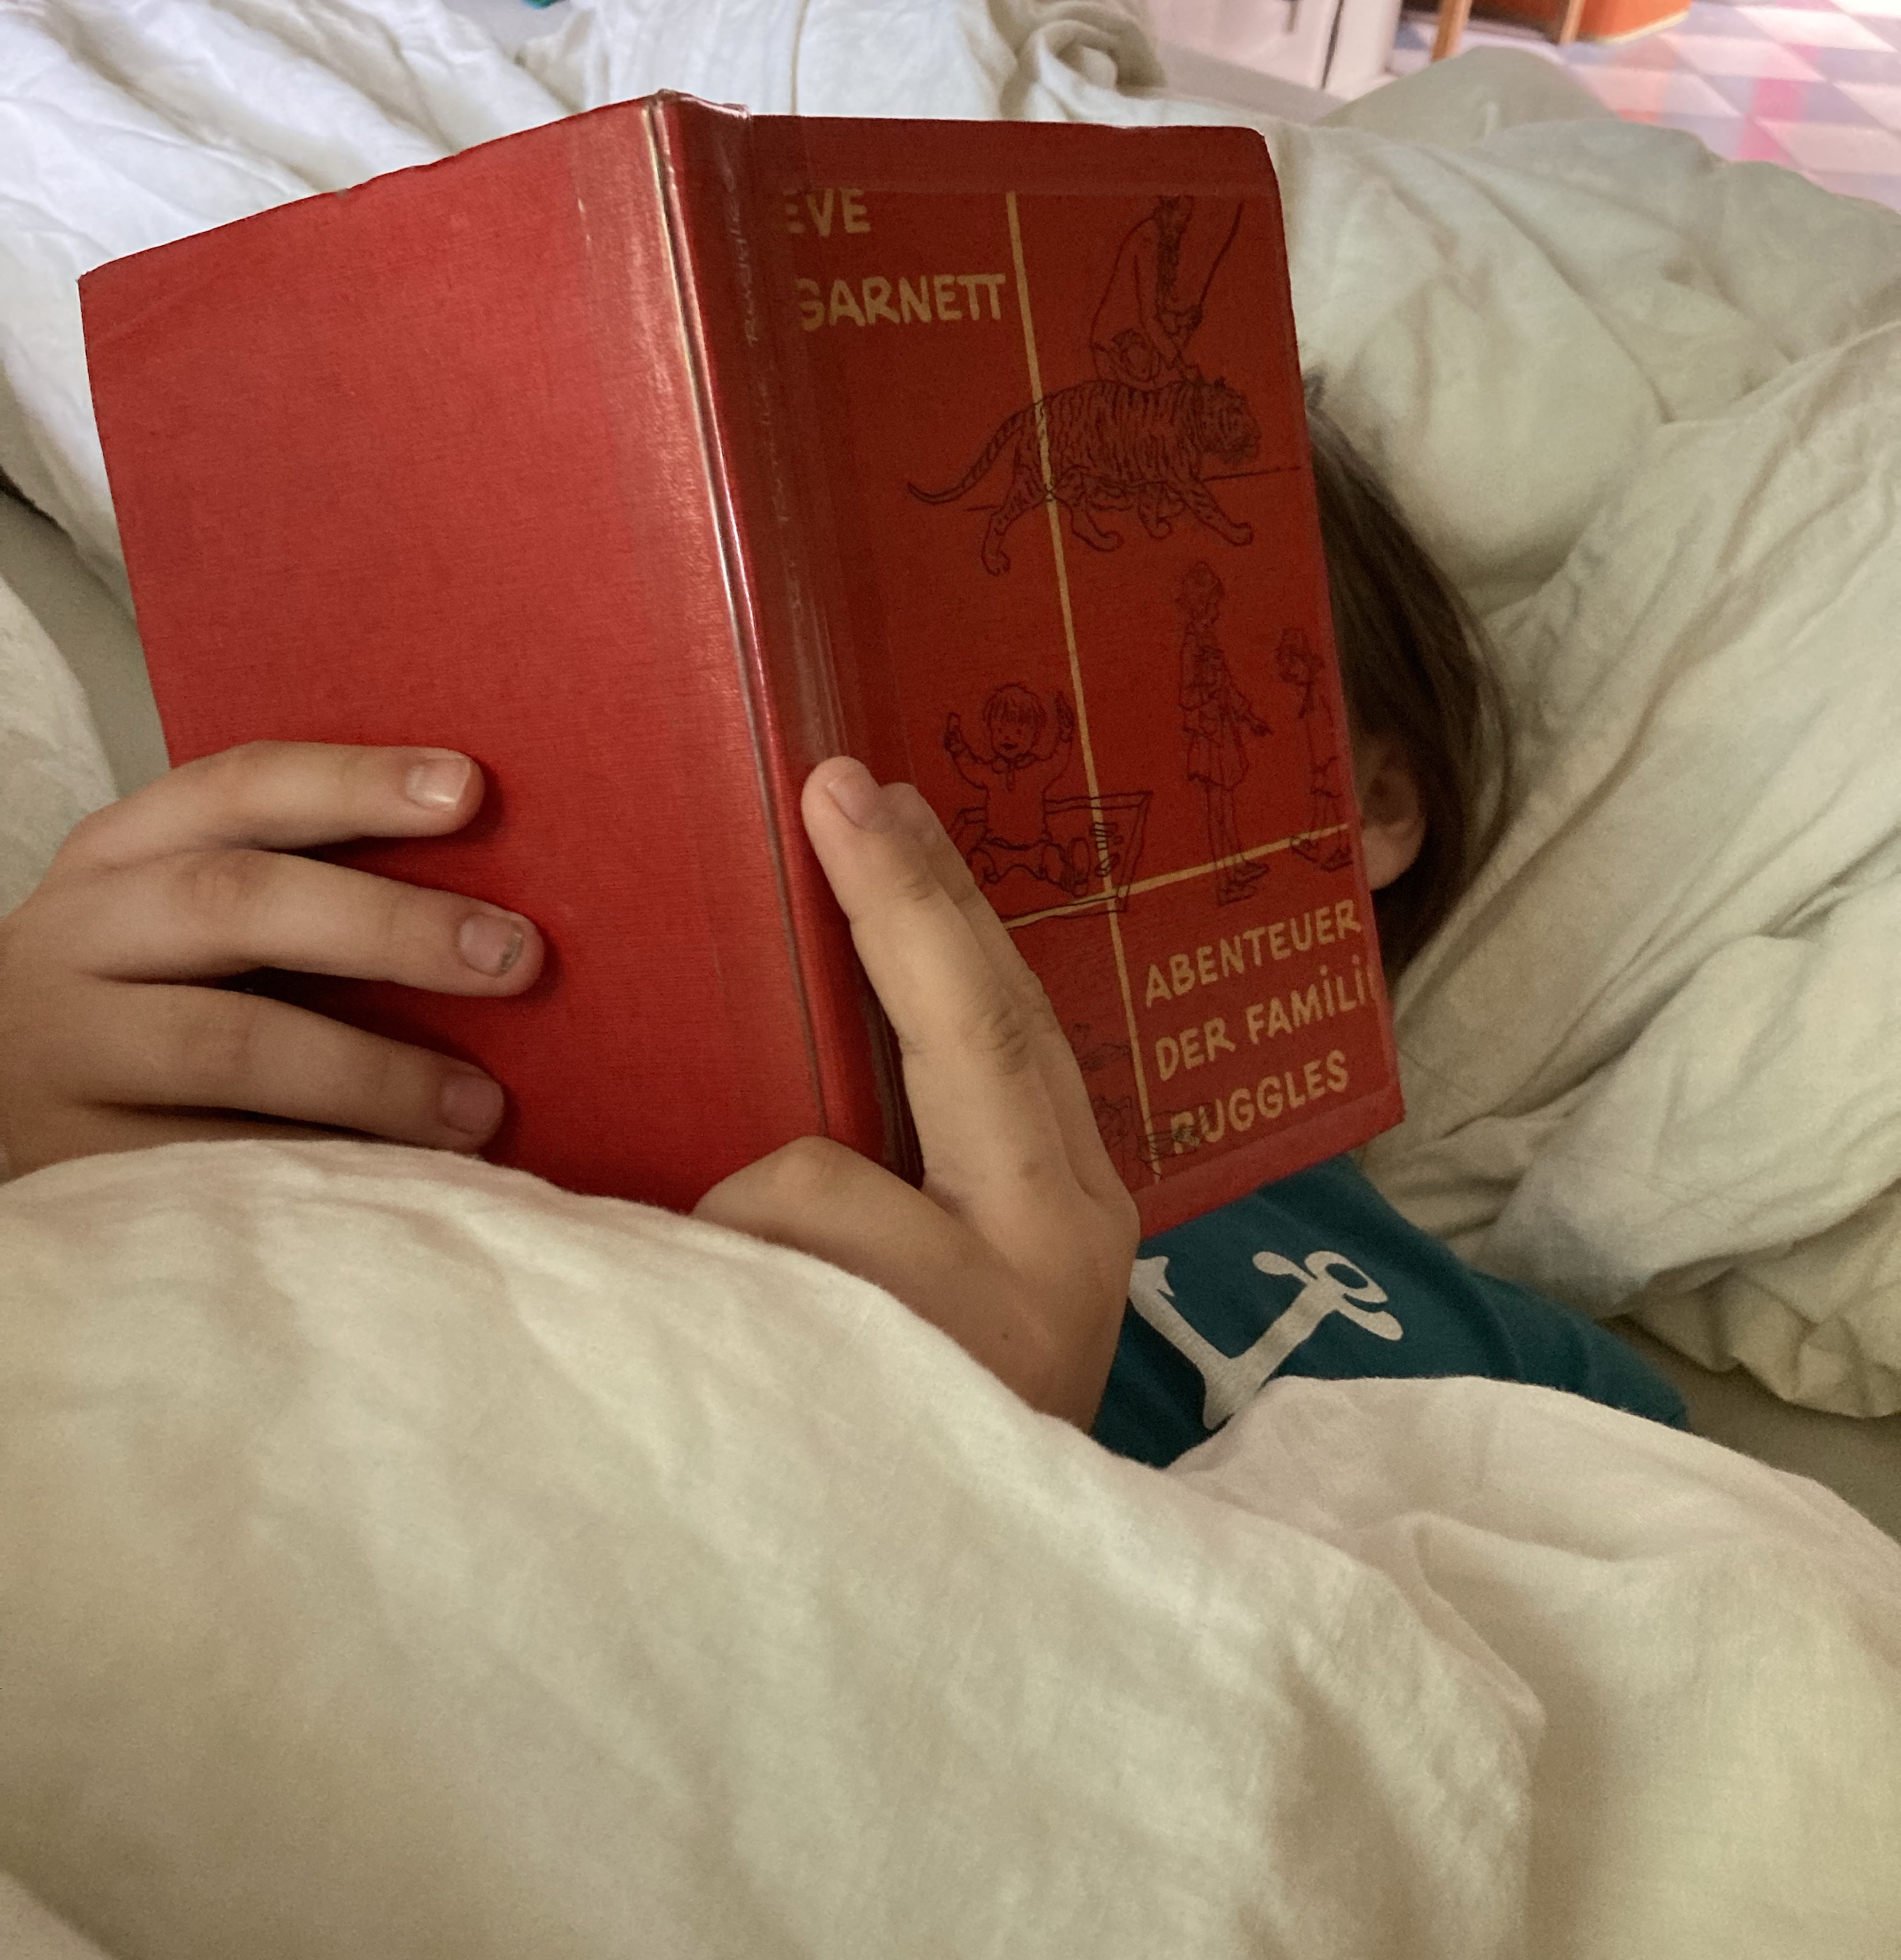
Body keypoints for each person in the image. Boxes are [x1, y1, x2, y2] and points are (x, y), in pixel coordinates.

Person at [0, 408, 1685, 1455]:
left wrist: (948, 1466)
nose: (845, 786)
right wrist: (72, 1192)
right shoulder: (482, 1129)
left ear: (1361, 800)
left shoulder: (1541, 1383)